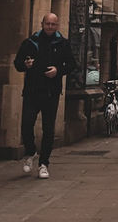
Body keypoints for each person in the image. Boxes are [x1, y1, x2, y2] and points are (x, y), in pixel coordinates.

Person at [13, 13, 76, 179]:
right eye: (47, 24)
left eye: (53, 24)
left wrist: (58, 71)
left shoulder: (62, 44)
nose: (50, 27)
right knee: (26, 124)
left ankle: (44, 163)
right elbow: (17, 64)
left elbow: (71, 64)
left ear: (57, 25)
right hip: (32, 91)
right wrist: (25, 65)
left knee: (48, 129)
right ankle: (31, 152)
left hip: (51, 92)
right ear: (42, 24)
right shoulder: (30, 42)